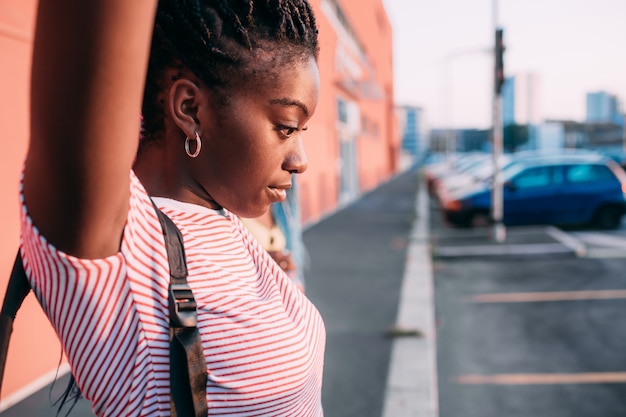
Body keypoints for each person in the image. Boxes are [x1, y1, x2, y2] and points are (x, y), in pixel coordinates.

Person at [21, 1, 325, 416]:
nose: (300, 160)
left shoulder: (221, 218)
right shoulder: (118, 241)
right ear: (189, 108)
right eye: (286, 127)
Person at [240, 180, 308, 292]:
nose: (298, 166)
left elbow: (295, 252)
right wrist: (261, 262)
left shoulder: (284, 200)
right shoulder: (227, 210)